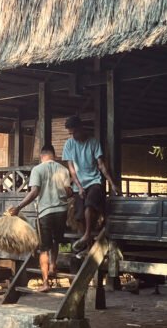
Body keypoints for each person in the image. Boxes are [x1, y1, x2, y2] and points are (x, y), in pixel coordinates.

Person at [8, 145, 71, 290]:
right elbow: (68, 191)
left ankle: (45, 283)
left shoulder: (37, 170)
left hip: (45, 212)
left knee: (43, 248)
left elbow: (34, 191)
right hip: (62, 211)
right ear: (54, 155)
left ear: (42, 156)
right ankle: (53, 265)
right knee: (56, 240)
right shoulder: (63, 170)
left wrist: (19, 207)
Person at [62, 116, 117, 253]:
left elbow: (101, 165)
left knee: (89, 203)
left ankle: (87, 235)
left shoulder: (93, 142)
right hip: (78, 183)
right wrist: (79, 187)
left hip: (94, 181)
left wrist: (112, 183)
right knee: (79, 215)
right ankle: (88, 243)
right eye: (70, 133)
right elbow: (72, 169)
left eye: (74, 132)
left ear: (81, 129)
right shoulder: (69, 144)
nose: (73, 136)